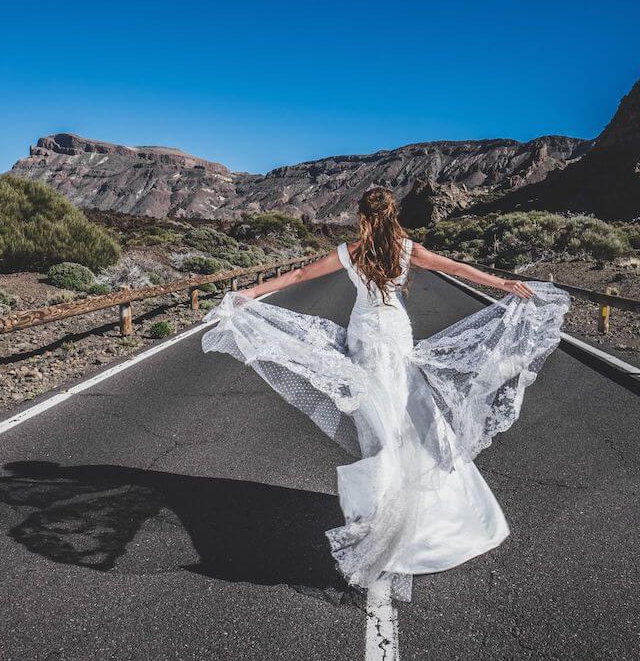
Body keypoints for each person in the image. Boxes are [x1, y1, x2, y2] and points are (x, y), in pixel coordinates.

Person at [201, 187, 570, 603]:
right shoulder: (407, 249)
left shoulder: (351, 252)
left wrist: (250, 293)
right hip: (395, 334)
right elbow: (459, 267)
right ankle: (432, 513)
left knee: (379, 424)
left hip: (367, 338)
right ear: (393, 214)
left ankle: (387, 508)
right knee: (411, 418)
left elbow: (301, 276)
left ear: (361, 216)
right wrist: (501, 282)